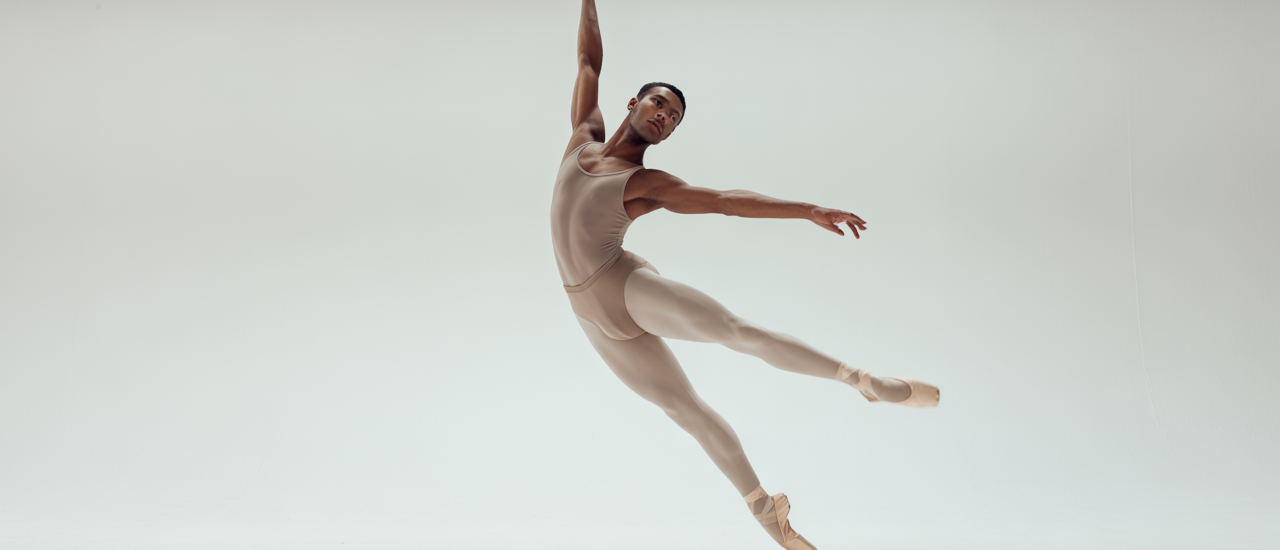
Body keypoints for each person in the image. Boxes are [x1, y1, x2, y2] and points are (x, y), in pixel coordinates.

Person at [550, 2, 940, 547]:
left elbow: (727, 202)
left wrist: (807, 209)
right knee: (685, 411)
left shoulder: (647, 183)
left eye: (674, 118)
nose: (665, 116)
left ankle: (863, 382)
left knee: (736, 332)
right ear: (634, 102)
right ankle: (765, 513)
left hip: (623, 287)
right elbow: (589, 59)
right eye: (660, 104)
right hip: (590, 319)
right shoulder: (582, 137)